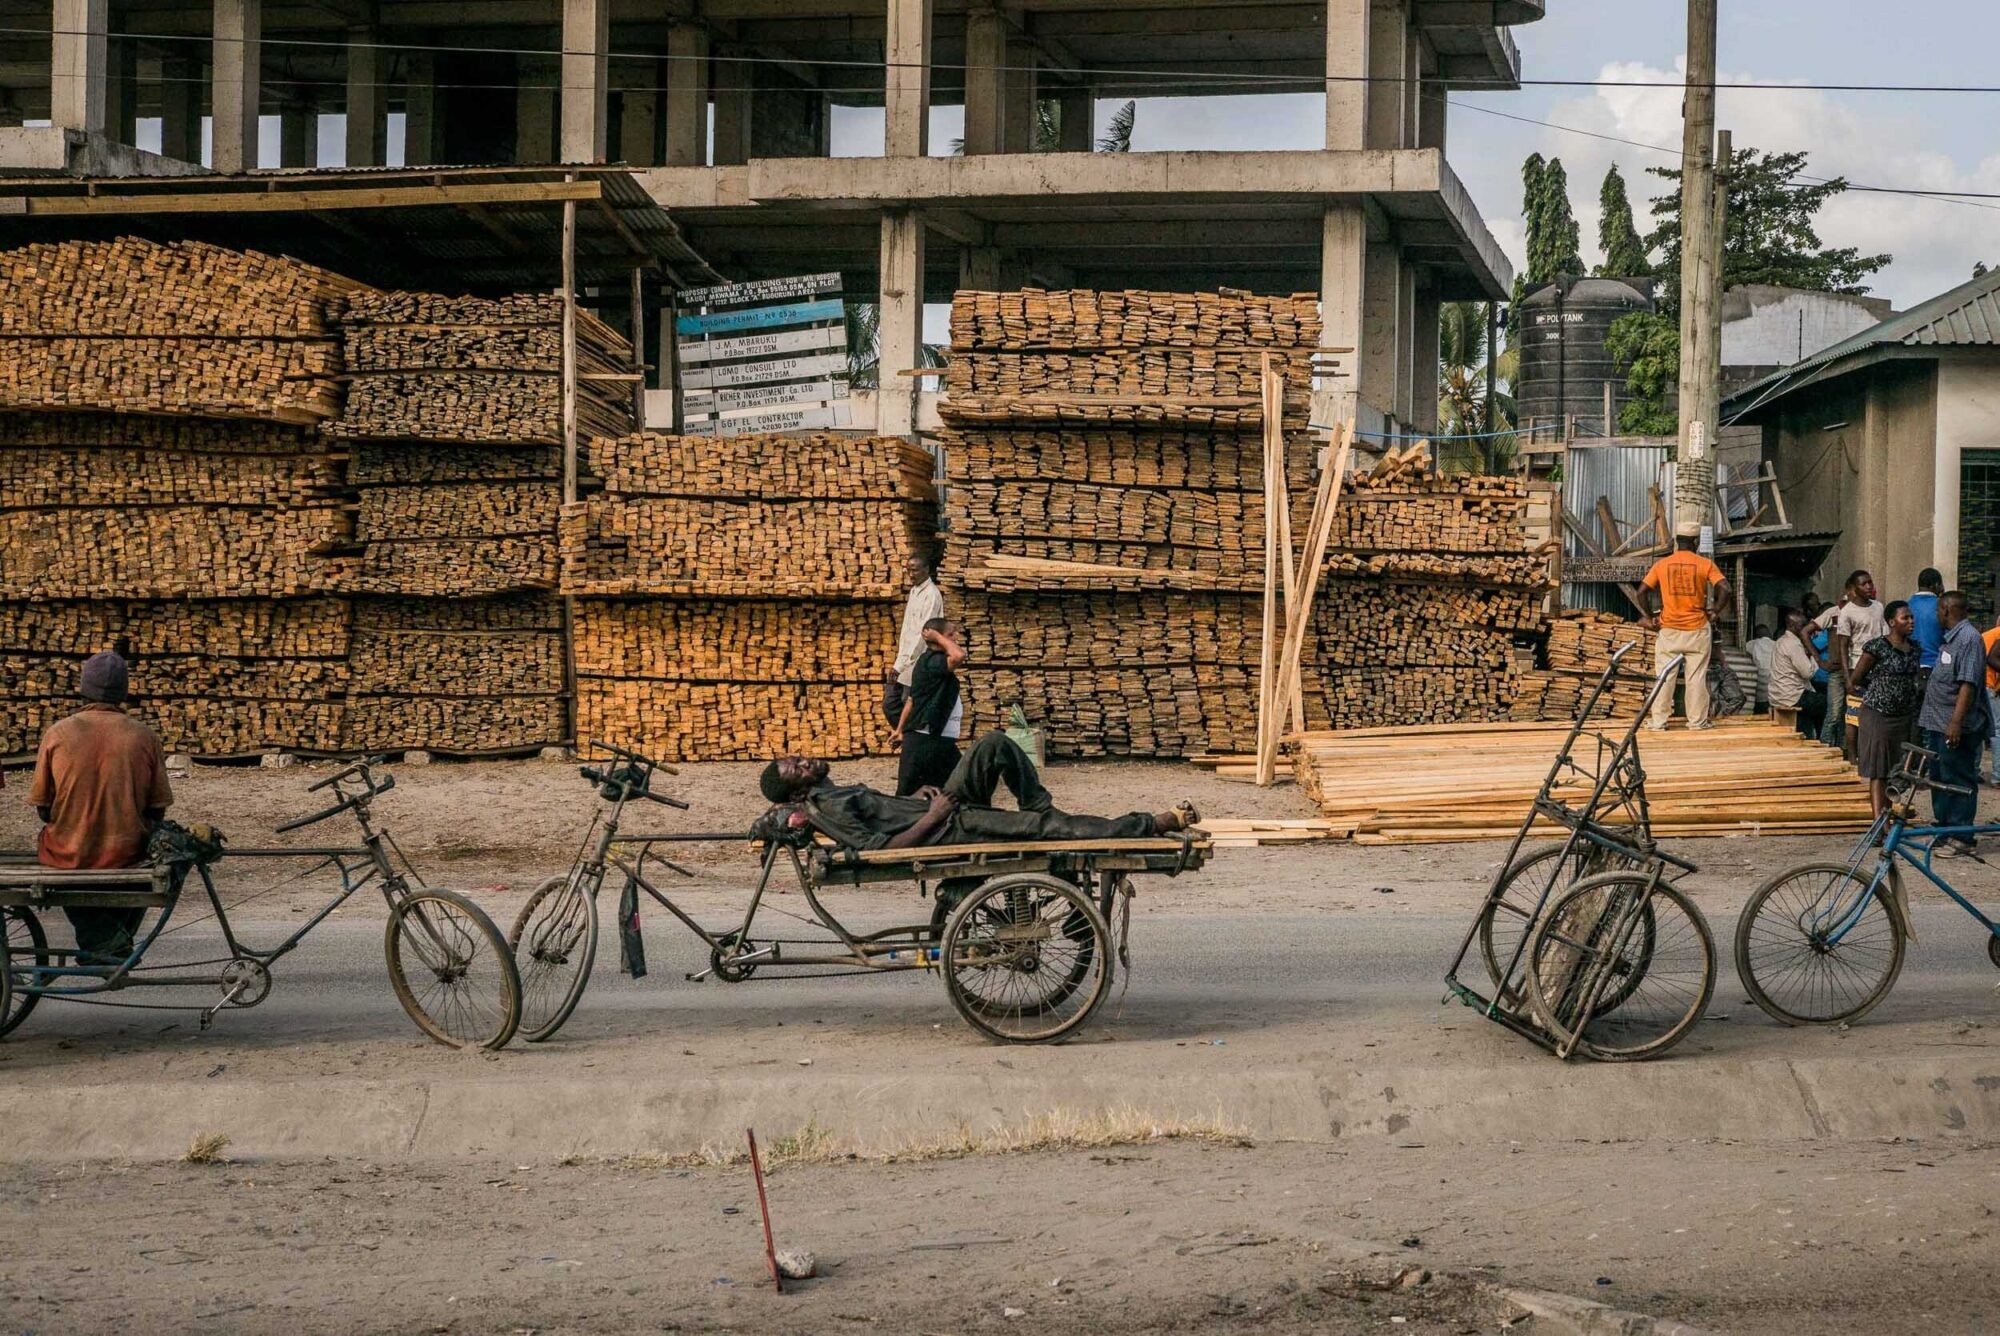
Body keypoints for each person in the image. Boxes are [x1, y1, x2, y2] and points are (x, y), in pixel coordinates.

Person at [761, 731, 1197, 852]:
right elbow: (877, 847)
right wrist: (931, 817)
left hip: (938, 809)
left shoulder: (835, 789)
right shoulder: (824, 807)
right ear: (797, 793)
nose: (804, 760)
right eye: (795, 767)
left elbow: (885, 814)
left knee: (992, 744)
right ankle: (1148, 824)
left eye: (797, 757)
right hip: (947, 827)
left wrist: (918, 799)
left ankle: (1040, 805)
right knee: (1042, 829)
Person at [27, 652, 174, 963]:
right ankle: (109, 946)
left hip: (67, 852)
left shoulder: (57, 733)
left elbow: (42, 808)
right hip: (125, 853)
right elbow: (158, 810)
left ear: (84, 688)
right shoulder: (144, 736)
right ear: (124, 691)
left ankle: (103, 945)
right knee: (158, 855)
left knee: (63, 860)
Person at [1916, 592, 1993, 856]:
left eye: (1938, 610)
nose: (1936, 615)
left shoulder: (1969, 639)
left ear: (1947, 610)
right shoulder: (1951, 639)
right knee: (1939, 778)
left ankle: (1962, 837)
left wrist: (1955, 723)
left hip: (1956, 726)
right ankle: (1943, 830)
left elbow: (1967, 686)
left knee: (1958, 779)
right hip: (1938, 723)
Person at [1637, 522, 1729, 731]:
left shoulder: (1662, 565)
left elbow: (1641, 591)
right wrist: (1715, 611)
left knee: (1664, 676)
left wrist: (1649, 616)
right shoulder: (1704, 564)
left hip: (1669, 630)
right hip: (1697, 630)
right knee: (1696, 677)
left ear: (1677, 541)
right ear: (1695, 542)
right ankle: (1697, 722)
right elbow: (1725, 587)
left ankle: (1659, 722)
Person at [1851, 601, 1924, 820]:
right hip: (1878, 715)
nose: (1911, 622)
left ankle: (1887, 816)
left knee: (1896, 771)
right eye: (1905, 618)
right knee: (1879, 771)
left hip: (1903, 716)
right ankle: (1879, 825)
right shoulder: (1877, 647)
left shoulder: (1914, 649)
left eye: (1911, 617)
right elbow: (1856, 679)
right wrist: (1879, 690)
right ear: (1892, 622)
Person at [1814, 571, 1888, 752]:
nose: (1869, 587)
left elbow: (1884, 635)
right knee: (1849, 715)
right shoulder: (1846, 612)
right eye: (1864, 584)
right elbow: (1843, 646)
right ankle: (1847, 755)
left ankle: (1867, 752)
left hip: (1877, 668)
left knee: (1874, 714)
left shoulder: (1878, 607)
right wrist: (1848, 678)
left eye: (1870, 583)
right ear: (1855, 589)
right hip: (1857, 667)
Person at [891, 618, 966, 797]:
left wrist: (900, 729)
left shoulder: (928, 661)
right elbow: (959, 656)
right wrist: (938, 637)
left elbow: (912, 699)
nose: (954, 639)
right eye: (950, 635)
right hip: (925, 741)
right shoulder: (933, 661)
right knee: (907, 797)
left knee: (958, 789)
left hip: (939, 740)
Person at [883, 551, 944, 727]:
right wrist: (899, 661)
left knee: (908, 704)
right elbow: (907, 631)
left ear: (927, 569)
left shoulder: (931, 595)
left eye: (915, 570)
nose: (911, 575)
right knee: (890, 703)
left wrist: (902, 665)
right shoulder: (914, 592)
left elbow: (923, 634)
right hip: (904, 659)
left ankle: (910, 739)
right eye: (908, 570)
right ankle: (906, 735)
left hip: (919, 661)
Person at [1768, 609, 1826, 739]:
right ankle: (1823, 740)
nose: (1805, 629)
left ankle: (1810, 735)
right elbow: (1808, 673)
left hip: (1778, 694)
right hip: (1792, 696)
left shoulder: (1781, 641)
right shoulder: (1793, 644)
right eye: (1802, 626)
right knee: (1828, 704)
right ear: (1792, 626)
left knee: (1813, 703)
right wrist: (1811, 655)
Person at [1909, 568, 1945, 682]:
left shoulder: (1906, 605)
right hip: (1936, 667)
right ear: (1936, 585)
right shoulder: (1942, 607)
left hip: (1911, 667)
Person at [1984, 614, 2000, 785]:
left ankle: (1974, 771)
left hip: (1978, 684)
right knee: (1997, 730)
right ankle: (1998, 775)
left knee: (1979, 730)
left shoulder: (1988, 634)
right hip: (1988, 685)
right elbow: (1993, 659)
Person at [1745, 622, 1776, 709]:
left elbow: (1743, 650)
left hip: (1759, 693)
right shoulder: (1777, 644)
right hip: (1775, 692)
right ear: (1770, 634)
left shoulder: (1751, 644)